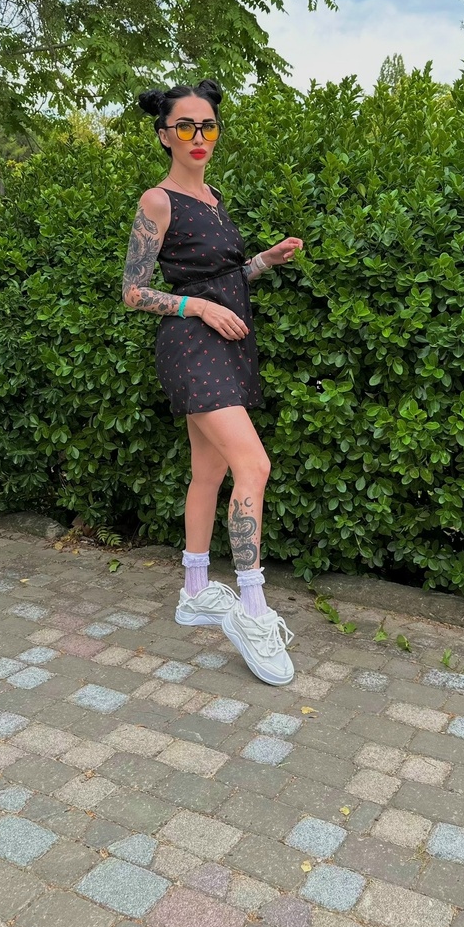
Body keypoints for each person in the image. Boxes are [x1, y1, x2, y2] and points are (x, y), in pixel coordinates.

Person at [122, 80, 304, 686]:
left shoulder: (214, 198)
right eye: (185, 126)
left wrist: (263, 262)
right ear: (164, 134)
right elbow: (133, 292)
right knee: (255, 465)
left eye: (208, 125)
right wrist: (196, 308)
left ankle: (195, 591)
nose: (198, 136)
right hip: (191, 345)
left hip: (229, 346)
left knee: (211, 471)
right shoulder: (158, 200)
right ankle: (251, 610)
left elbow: (222, 276)